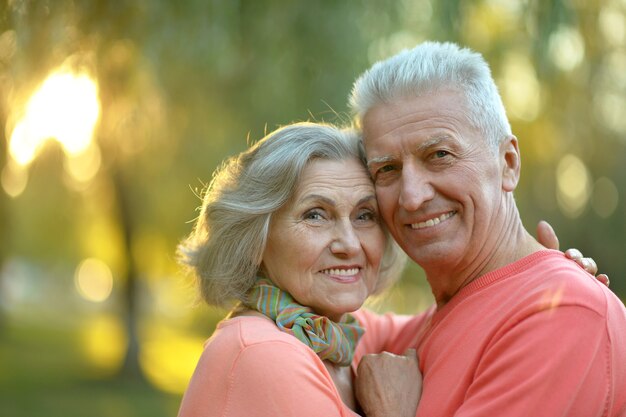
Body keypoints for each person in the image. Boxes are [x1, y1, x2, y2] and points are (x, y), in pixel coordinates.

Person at [175, 121, 604, 417]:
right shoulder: (264, 354)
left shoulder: (339, 337)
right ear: (257, 239)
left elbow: (463, 318)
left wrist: (545, 276)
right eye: (315, 215)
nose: (349, 244)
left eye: (364, 216)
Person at [349, 41, 626, 417]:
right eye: (387, 170)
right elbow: (291, 310)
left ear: (508, 163)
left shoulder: (562, 313)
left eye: (439, 156)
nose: (411, 198)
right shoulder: (405, 336)